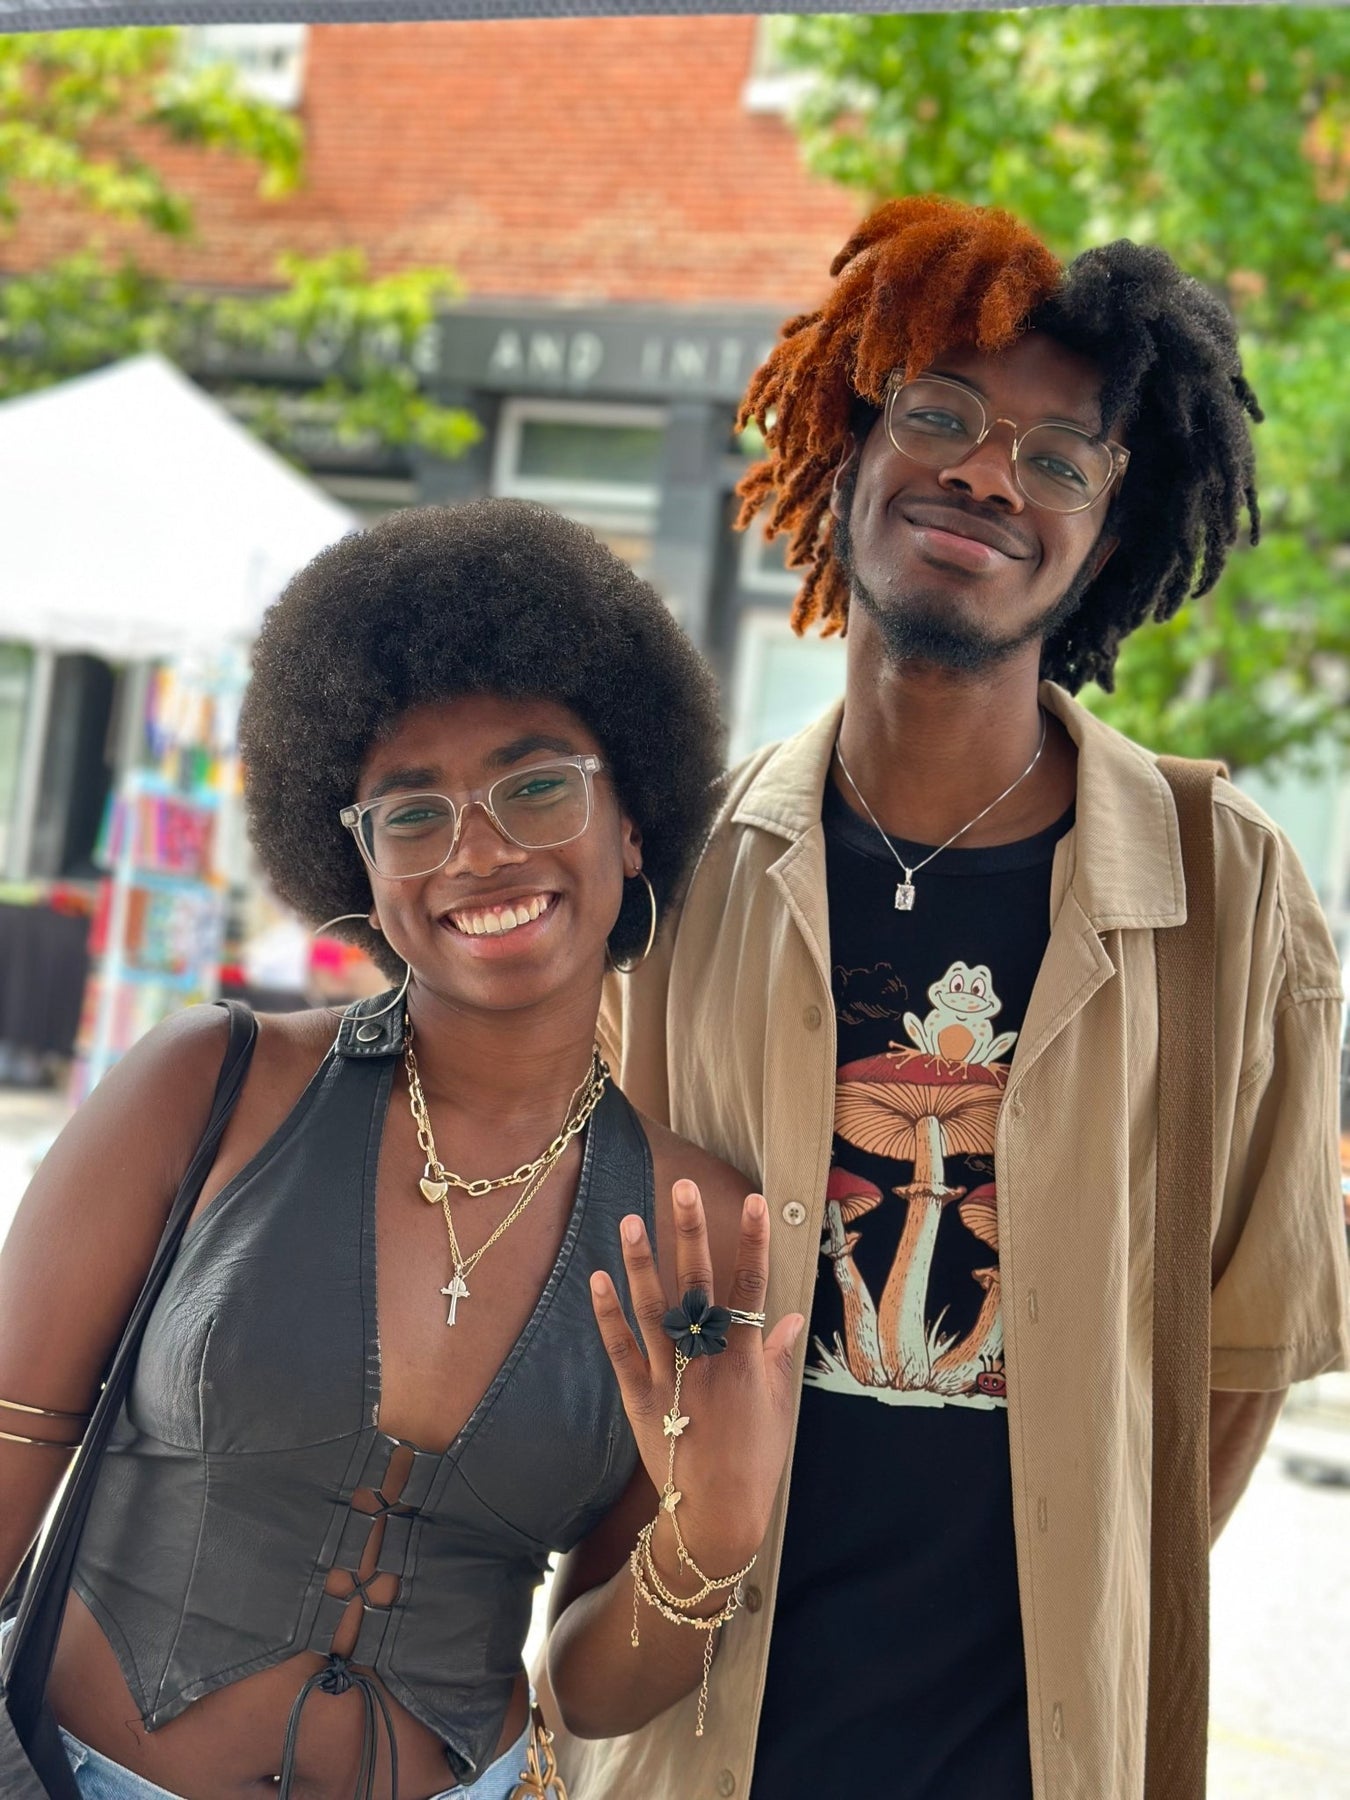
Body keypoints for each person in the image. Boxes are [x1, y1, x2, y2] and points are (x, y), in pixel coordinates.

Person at [548, 198, 1350, 1800]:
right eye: (939, 415)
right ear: (846, 454)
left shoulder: (1224, 881)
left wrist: (1073, 1620)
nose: (990, 475)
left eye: (1059, 458)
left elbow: (1245, 1343)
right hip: (692, 1747)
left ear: (1103, 539)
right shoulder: (673, 869)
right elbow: (586, 1296)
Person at [0, 500, 803, 1800]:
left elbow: (590, 1692)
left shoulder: (696, 1227)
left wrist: (709, 1539)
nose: (478, 850)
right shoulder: (206, 1089)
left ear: (631, 822)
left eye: (535, 787)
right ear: (358, 864)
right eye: (411, 813)